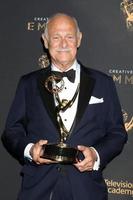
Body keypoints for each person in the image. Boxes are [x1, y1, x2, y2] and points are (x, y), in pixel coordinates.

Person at [1, 13, 127, 200]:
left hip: (87, 190)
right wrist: (29, 150)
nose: (63, 44)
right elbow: (11, 131)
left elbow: (117, 133)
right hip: (38, 189)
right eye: (56, 37)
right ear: (45, 41)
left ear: (79, 39)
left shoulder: (103, 83)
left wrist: (95, 154)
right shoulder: (28, 83)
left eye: (69, 36)